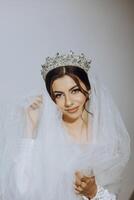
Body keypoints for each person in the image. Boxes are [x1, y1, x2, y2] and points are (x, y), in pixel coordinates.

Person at [0, 51, 130, 200]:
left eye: (75, 91)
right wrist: (30, 127)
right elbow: (20, 189)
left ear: (89, 89)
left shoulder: (105, 135)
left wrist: (93, 192)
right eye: (59, 95)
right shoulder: (46, 134)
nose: (68, 102)